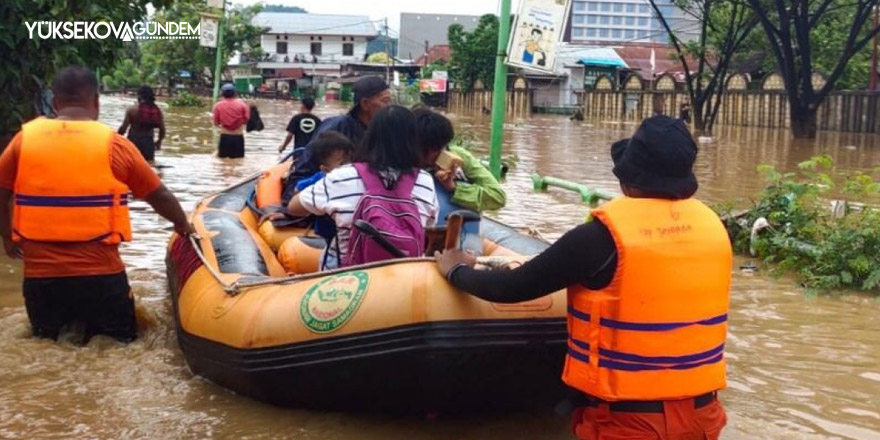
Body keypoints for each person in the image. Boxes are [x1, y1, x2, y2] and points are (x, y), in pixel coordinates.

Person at [435, 115, 731, 440]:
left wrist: (456, 269)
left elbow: (511, 288)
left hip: (630, 425)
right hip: (704, 418)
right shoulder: (713, 229)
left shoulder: (599, 239)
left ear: (628, 180)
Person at [0, 66, 195, 345]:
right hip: (101, 277)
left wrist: (7, 236)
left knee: (47, 346)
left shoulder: (23, 141)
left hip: (41, 279)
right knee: (119, 347)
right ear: (96, 102)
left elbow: (2, 192)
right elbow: (159, 195)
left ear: (55, 103)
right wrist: (182, 224)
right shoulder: (115, 146)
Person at [288, 105, 438, 270]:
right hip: (403, 281)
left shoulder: (341, 176)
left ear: (370, 136)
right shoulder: (425, 181)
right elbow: (429, 225)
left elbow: (294, 208)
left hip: (346, 279)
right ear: (414, 141)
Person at [283, 76, 391, 204]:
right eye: (385, 101)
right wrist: (289, 205)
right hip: (331, 197)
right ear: (365, 104)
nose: (389, 107)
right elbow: (305, 168)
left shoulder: (383, 131)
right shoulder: (335, 128)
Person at [413, 108, 506, 253]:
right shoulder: (404, 167)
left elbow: (497, 196)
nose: (441, 152)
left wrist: (454, 188)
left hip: (465, 244)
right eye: (435, 148)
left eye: (443, 146)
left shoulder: (460, 158)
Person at [117, 86, 165, 162]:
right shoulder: (157, 110)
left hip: (133, 142)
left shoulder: (132, 109)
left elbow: (123, 128)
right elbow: (162, 129)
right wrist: (159, 142)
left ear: (139, 96)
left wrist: (117, 141)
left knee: (131, 165)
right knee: (149, 166)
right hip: (148, 143)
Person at [212, 83, 250, 158]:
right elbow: (246, 120)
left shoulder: (217, 106)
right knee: (238, 162)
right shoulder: (242, 105)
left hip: (224, 137)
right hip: (238, 137)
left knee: (222, 163)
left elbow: (216, 123)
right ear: (235, 93)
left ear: (222, 93)